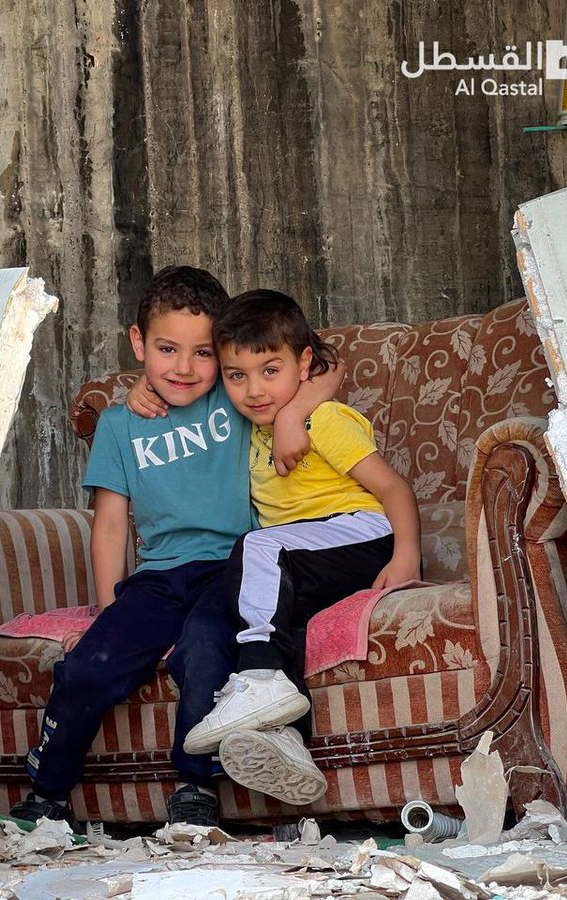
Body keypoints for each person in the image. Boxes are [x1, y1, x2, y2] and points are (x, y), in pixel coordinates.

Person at [10, 268, 339, 828]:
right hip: (159, 578)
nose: (184, 368)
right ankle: (48, 792)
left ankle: (195, 785)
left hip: (233, 570)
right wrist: (110, 605)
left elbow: (328, 368)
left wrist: (288, 415)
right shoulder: (118, 425)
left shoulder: (236, 400)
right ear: (138, 343)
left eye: (203, 353)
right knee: (90, 665)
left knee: (206, 650)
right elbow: (111, 524)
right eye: (167, 349)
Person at [179, 288, 421, 806]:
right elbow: (180, 381)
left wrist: (407, 557)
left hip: (361, 534)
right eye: (236, 375)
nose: (253, 390)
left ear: (302, 363)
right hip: (305, 558)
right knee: (263, 605)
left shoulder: (323, 421)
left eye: (271, 370)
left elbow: (394, 489)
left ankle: (261, 676)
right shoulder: (246, 429)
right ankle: (287, 739)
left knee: (259, 550)